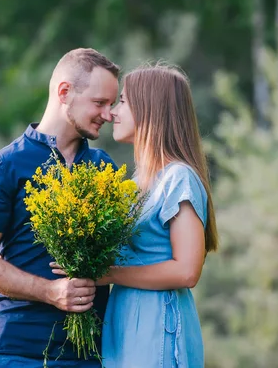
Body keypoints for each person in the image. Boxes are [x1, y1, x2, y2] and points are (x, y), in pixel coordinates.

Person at [0, 48, 120, 367]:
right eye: (100, 103)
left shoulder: (105, 168)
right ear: (64, 92)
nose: (109, 113)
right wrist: (50, 291)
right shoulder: (3, 166)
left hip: (90, 356)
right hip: (18, 352)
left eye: (112, 104)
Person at [53, 63, 219, 367]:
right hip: (126, 322)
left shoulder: (178, 178)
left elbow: (187, 271)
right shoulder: (135, 186)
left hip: (159, 326)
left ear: (150, 110)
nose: (112, 112)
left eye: (123, 102)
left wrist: (109, 274)